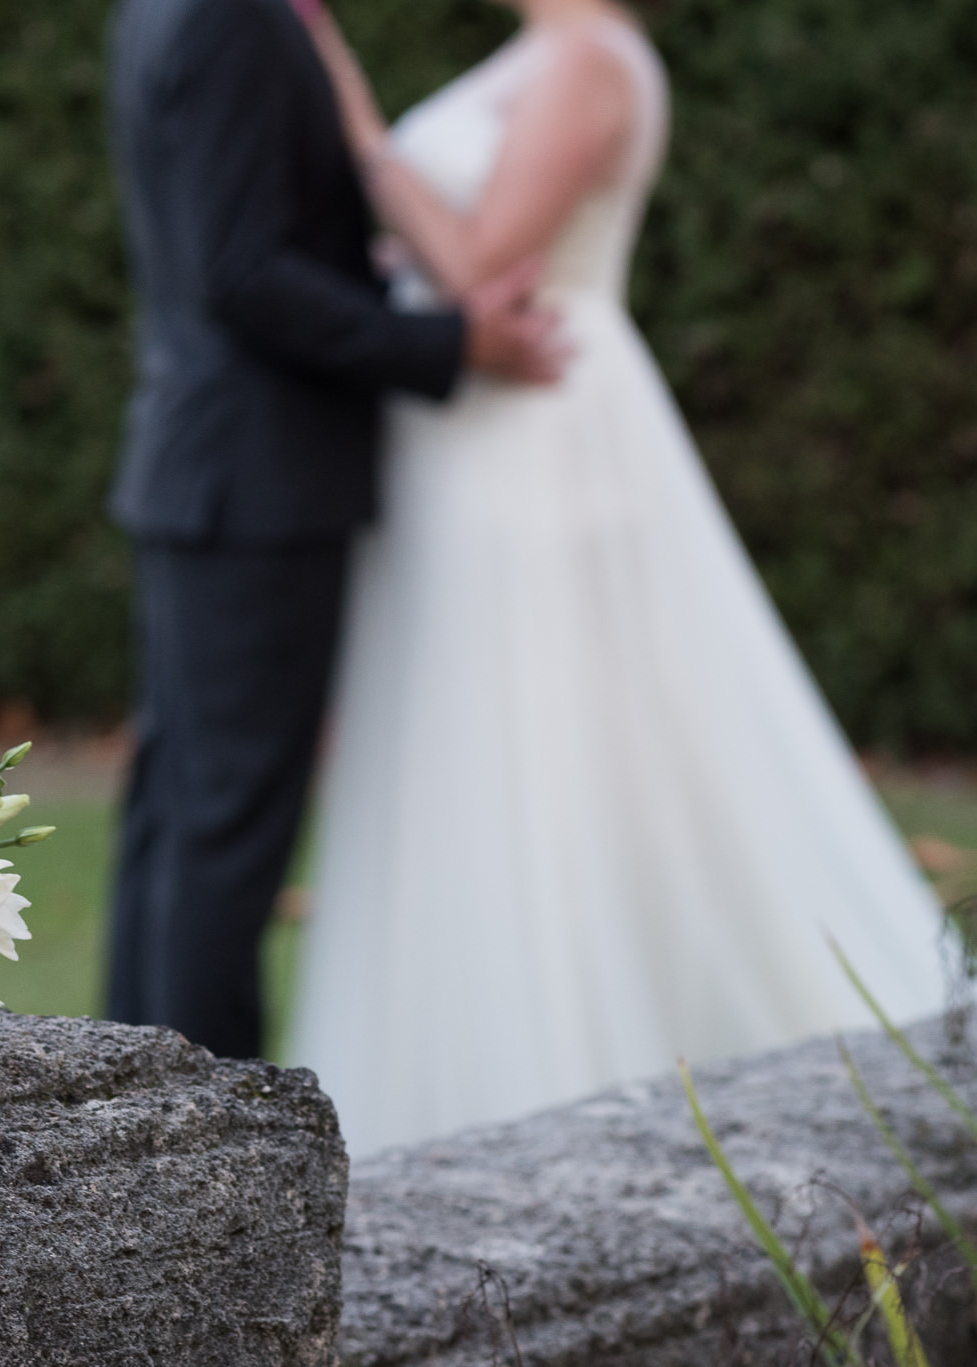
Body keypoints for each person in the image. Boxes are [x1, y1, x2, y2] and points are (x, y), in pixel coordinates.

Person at [285, 0, 948, 1152]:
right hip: (463, 451)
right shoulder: (538, 52)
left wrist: (351, 117)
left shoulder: (592, 61)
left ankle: (561, 1082)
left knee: (549, 757)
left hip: (534, 452)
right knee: (466, 748)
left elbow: (483, 266)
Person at [103, 0, 566, 1060]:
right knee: (224, 833)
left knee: (178, 815)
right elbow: (244, 274)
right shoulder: (235, 21)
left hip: (204, 468)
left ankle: (122, 1096)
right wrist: (444, 341)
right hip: (258, 480)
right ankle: (193, 1124)